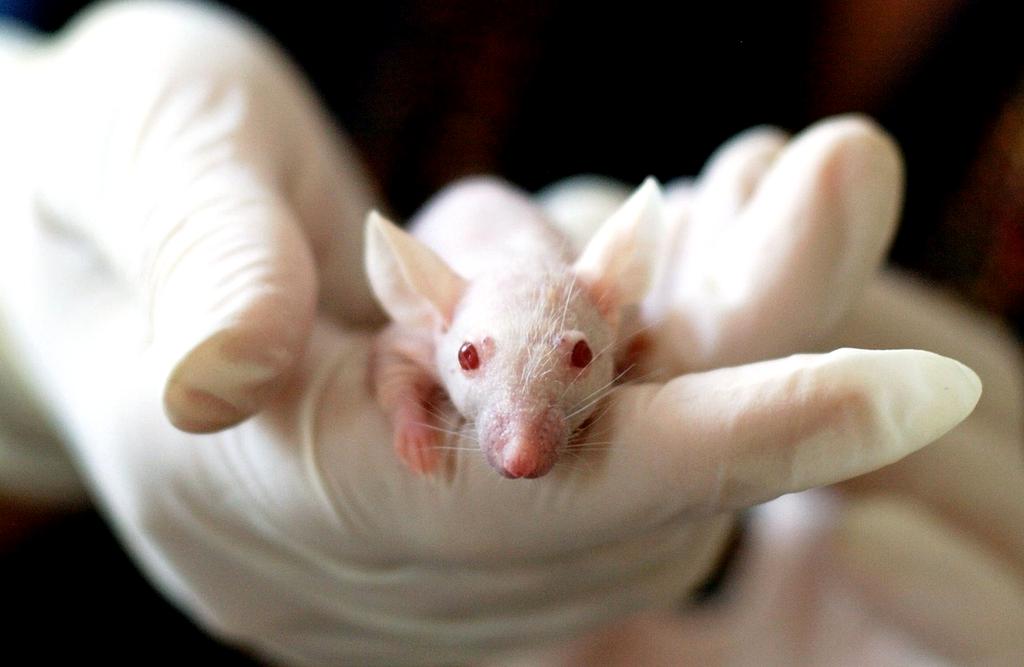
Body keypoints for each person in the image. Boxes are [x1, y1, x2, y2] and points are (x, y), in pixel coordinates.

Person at [0, 2, 1020, 664]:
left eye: (584, 358)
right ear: (420, 302)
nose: (522, 451)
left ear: (616, 301)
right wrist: (29, 328)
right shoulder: (428, 322)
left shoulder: (602, 308)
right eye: (470, 365)